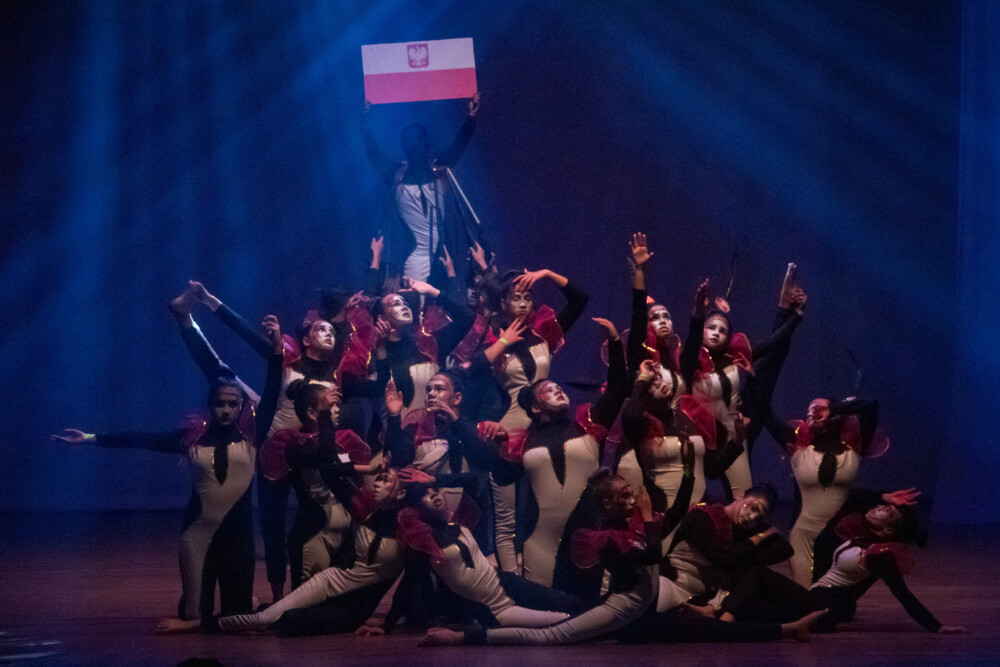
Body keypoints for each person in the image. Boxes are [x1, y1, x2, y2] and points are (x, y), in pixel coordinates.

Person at [53, 318, 284, 622]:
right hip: (198, 535)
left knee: (236, 617)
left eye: (232, 404)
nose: (226, 410)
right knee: (193, 615)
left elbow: (272, 393)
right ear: (210, 405)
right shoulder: (190, 439)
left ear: (241, 406)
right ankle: (195, 603)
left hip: (238, 538)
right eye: (220, 404)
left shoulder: (252, 435)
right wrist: (89, 438)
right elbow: (142, 439)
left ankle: (238, 601)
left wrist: (277, 349)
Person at [158, 467, 409, 636]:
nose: (378, 483)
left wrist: (387, 625)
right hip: (329, 582)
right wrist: (369, 469)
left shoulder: (409, 532)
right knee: (266, 619)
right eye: (379, 478)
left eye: (386, 480)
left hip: (349, 612)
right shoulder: (365, 512)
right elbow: (329, 471)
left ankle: (253, 614)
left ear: (402, 493)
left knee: (285, 621)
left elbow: (409, 581)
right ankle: (195, 625)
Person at [716, 494, 968, 635]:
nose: (880, 507)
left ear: (888, 530)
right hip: (812, 601)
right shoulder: (860, 537)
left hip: (822, 609)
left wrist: (936, 626)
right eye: (884, 506)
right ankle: (712, 615)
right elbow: (852, 498)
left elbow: (903, 594)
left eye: (888, 512)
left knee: (758, 574)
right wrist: (882, 494)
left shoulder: (879, 555)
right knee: (756, 610)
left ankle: (722, 625)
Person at [486, 267, 590, 573]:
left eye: (528, 297)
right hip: (509, 430)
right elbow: (471, 373)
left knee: (543, 508)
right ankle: (510, 584)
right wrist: (502, 343)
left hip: (545, 428)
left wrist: (546, 274)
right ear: (503, 303)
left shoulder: (544, 332)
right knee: (507, 518)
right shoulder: (492, 338)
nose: (522, 303)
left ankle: (544, 577)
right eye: (515, 298)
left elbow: (580, 300)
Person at [511, 318, 628, 586]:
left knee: (583, 602)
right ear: (535, 408)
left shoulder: (587, 425)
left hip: (587, 538)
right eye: (548, 391)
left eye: (559, 388)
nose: (557, 391)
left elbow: (619, 388)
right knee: (545, 605)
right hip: (539, 541)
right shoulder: (522, 441)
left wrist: (613, 340)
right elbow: (518, 501)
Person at [361, 92, 482, 291]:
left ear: (426, 143)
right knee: (418, 303)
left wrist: (471, 117)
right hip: (413, 259)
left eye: (419, 139)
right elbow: (373, 153)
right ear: (403, 145)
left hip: (444, 258)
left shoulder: (440, 169)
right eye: (410, 140)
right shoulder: (396, 174)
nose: (415, 144)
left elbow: (458, 147)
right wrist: (365, 122)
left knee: (447, 303)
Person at [758, 392, 882, 586]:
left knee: (834, 600)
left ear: (835, 416)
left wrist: (834, 408)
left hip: (841, 534)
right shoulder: (797, 443)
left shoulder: (854, 446)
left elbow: (871, 406)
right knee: (805, 594)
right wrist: (755, 379)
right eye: (810, 409)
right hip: (804, 535)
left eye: (819, 408)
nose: (812, 412)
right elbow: (764, 411)